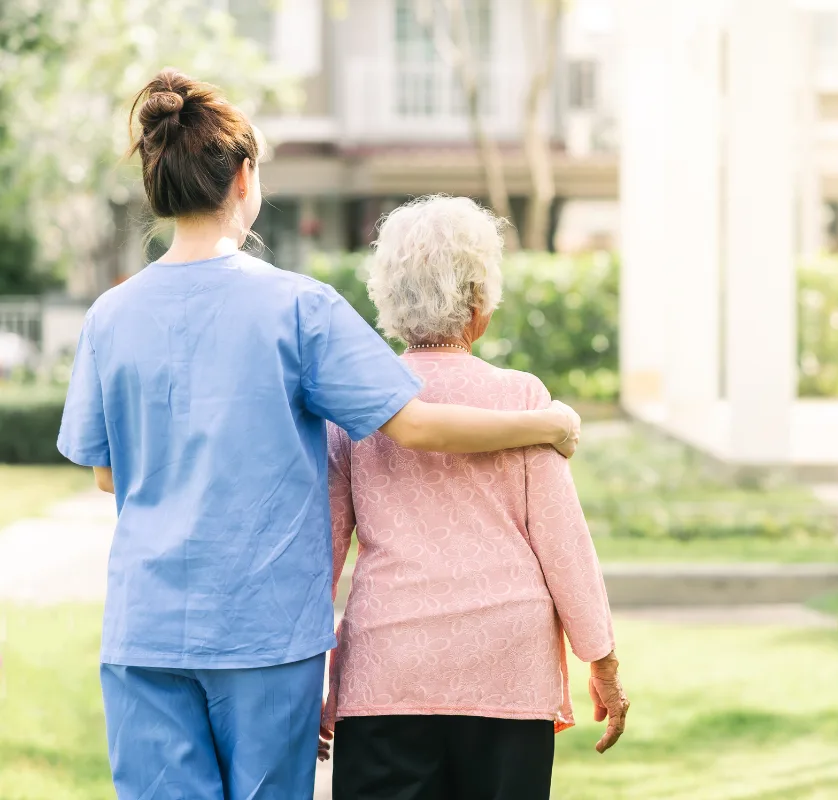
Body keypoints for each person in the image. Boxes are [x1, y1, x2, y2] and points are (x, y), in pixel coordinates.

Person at [55, 70, 582, 800]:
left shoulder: (109, 316)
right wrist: (543, 423)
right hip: (265, 635)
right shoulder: (299, 307)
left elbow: (108, 475)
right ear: (244, 177)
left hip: (146, 629)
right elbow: (416, 423)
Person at [320, 196, 629, 800]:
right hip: (506, 668)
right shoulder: (522, 399)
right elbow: (563, 543)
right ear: (479, 304)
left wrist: (305, 680)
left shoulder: (356, 407)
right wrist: (604, 663)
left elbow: (321, 552)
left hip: (388, 668)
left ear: (388, 298)